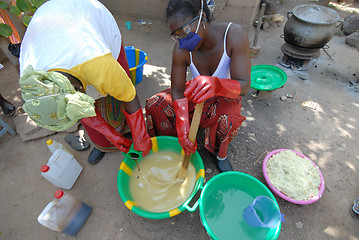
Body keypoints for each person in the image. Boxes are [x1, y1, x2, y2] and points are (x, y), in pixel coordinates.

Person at [19, 0, 152, 164]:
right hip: (50, 31)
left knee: (117, 95)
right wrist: (109, 134)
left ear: (76, 88)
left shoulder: (100, 63)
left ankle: (128, 132)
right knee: (90, 119)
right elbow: (76, 109)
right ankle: (104, 144)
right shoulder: (33, 82)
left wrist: (141, 136)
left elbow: (129, 97)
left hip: (87, 17)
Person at [145, 0, 251, 172]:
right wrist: (182, 124)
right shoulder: (181, 50)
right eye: (176, 35)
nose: (182, 39)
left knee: (229, 117)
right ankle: (175, 144)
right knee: (154, 104)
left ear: (201, 17)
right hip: (198, 93)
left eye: (185, 30)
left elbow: (244, 86)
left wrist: (217, 84)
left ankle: (219, 153)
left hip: (226, 95)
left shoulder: (233, 35)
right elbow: (178, 91)